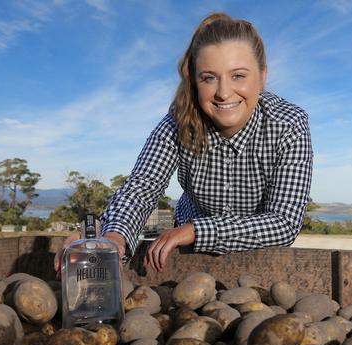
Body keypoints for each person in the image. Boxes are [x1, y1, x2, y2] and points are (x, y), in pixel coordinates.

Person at [57, 12, 313, 273]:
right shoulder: (179, 121)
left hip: (255, 255)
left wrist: (196, 230)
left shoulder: (289, 124)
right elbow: (142, 187)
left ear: (262, 75)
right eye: (209, 77)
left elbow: (284, 223)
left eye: (238, 76)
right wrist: (114, 239)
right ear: (194, 80)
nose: (224, 92)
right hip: (189, 251)